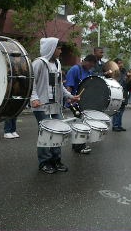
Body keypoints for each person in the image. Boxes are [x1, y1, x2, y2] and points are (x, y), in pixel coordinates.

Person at [30, 37, 79, 174]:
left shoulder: (57, 63)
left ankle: (56, 160)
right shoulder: (38, 63)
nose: (60, 50)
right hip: (41, 105)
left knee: (58, 132)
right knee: (46, 133)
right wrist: (34, 98)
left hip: (55, 105)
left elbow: (59, 85)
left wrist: (70, 96)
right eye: (58, 48)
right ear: (50, 48)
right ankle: (44, 162)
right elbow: (31, 83)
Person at [66, 54, 97, 153]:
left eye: (92, 66)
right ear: (85, 61)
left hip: (84, 101)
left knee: (82, 122)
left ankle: (77, 145)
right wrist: (69, 98)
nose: (91, 67)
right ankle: (79, 146)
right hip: (74, 101)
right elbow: (69, 85)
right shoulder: (75, 69)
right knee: (79, 122)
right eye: (90, 65)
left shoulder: (89, 71)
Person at [112, 58, 131, 131]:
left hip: (124, 91)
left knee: (122, 109)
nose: (121, 65)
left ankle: (119, 125)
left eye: (122, 63)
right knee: (117, 109)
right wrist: (125, 78)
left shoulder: (124, 71)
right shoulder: (114, 71)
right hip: (117, 92)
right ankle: (115, 125)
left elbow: (126, 82)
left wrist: (129, 77)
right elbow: (119, 81)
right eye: (119, 63)